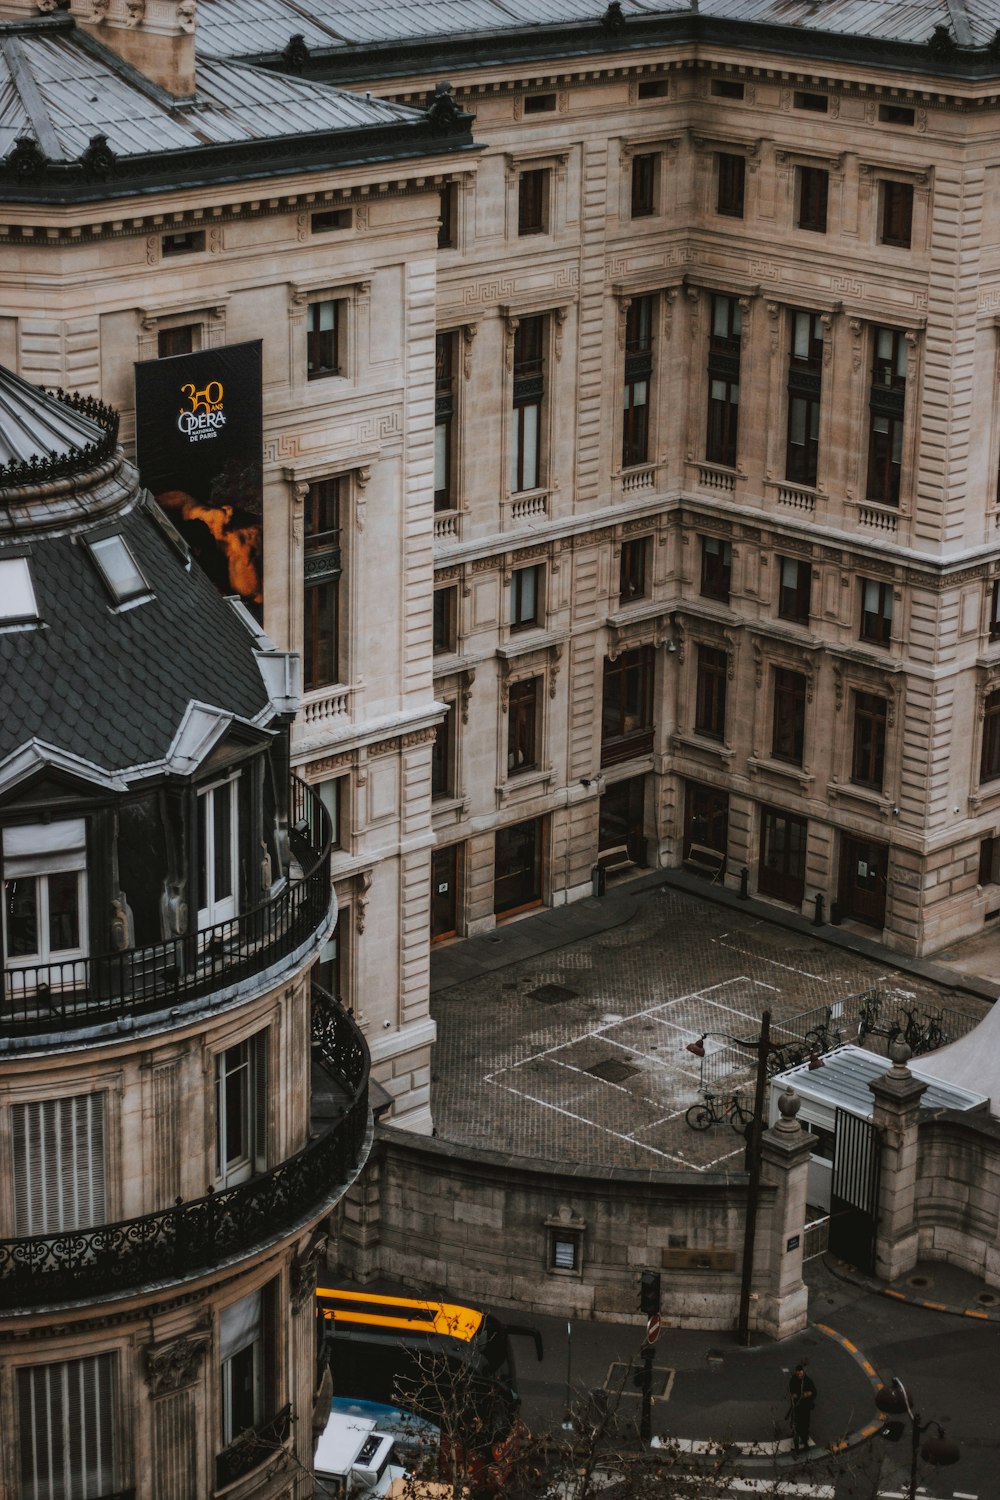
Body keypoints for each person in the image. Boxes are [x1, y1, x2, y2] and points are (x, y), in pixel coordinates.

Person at [788, 1363, 816, 1452]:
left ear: (803, 1372)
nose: (799, 1375)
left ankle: (805, 1443)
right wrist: (793, 1395)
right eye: (798, 1373)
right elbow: (790, 1390)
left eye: (801, 1373)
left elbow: (814, 1392)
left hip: (805, 1407)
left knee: (804, 1424)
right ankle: (796, 1435)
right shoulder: (793, 1380)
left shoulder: (808, 1381)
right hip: (796, 1406)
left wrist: (809, 1394)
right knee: (795, 1422)